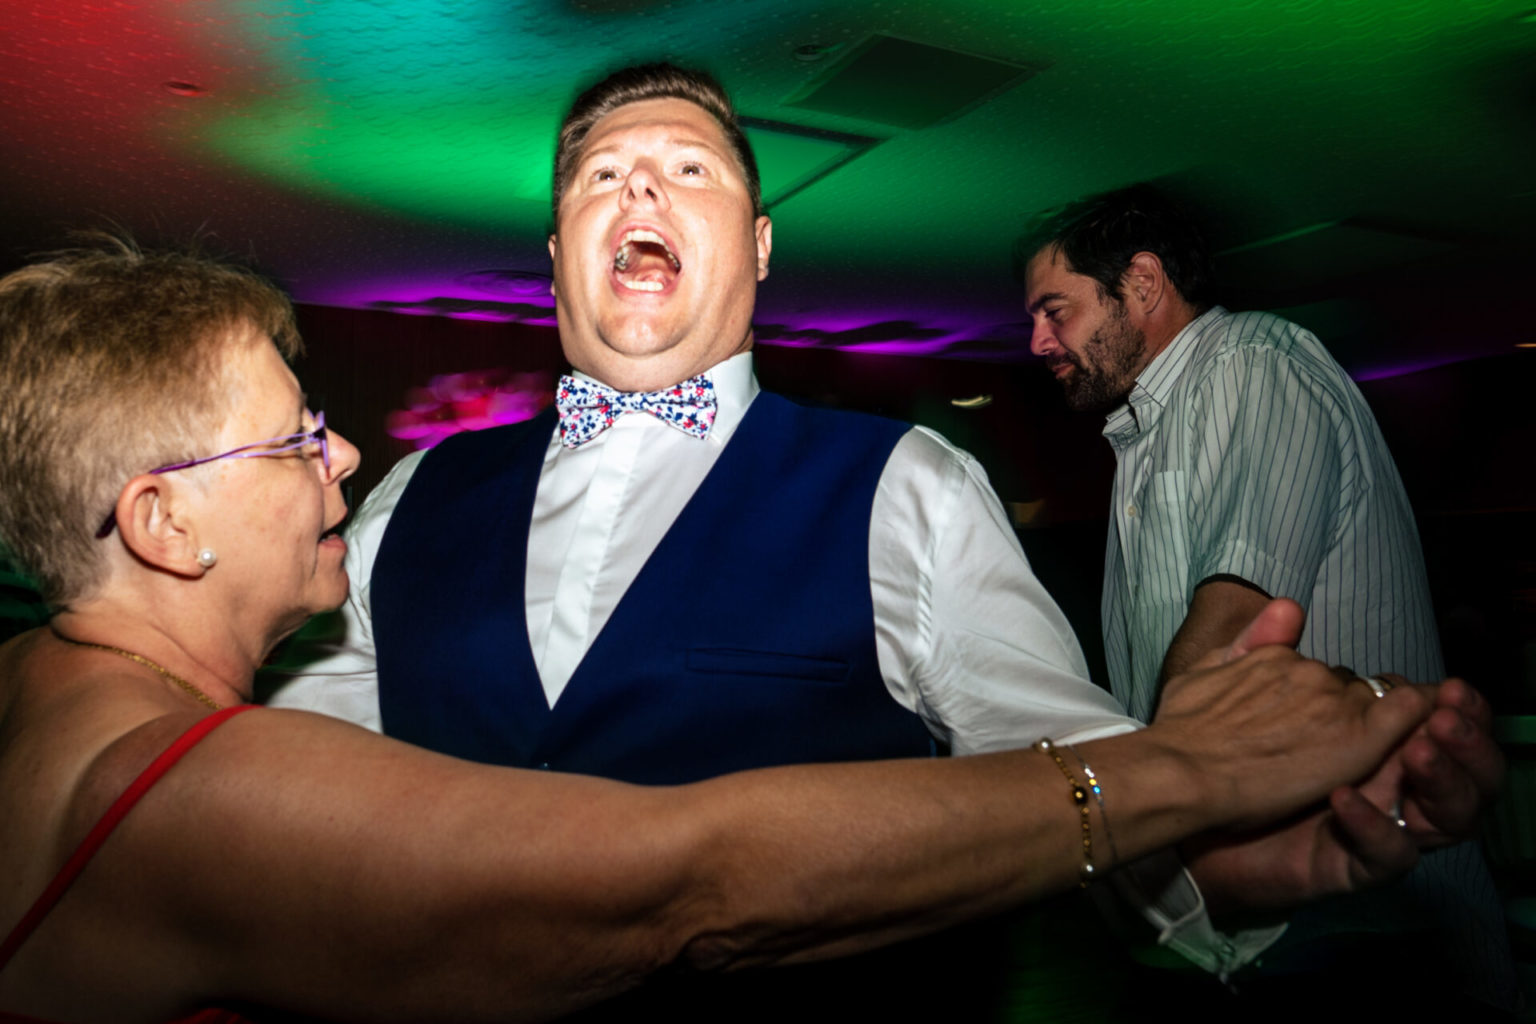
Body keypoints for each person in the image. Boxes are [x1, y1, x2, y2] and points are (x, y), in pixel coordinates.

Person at [265, 65, 1505, 994]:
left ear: (756, 251)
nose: (639, 183)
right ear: (555, 260)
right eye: (600, 175)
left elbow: (1069, 773)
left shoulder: (909, 484)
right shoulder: (407, 495)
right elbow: (287, 799)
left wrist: (1263, 851)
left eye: (690, 168)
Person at [0, 239, 1466, 1022]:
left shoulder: (42, 692)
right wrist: (1187, 773)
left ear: (760, 248)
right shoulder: (189, 790)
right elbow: (688, 880)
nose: (343, 459)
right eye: (293, 441)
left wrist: (1231, 861)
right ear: (164, 523)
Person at [1019, 184, 1519, 1010]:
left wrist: (1130, 808)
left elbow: (1234, 633)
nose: (1036, 341)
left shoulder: (1253, 364)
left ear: (1142, 285)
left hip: (1366, 919)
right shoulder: (1148, 433)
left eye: (1053, 310)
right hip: (1273, 908)